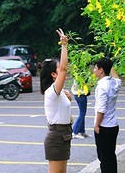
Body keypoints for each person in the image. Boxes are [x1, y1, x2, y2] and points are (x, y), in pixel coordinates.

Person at [41, 29, 73, 173]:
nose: (62, 70)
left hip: (64, 134)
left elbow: (67, 116)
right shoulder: (52, 92)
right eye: (58, 69)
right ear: (54, 74)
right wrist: (64, 45)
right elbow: (65, 69)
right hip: (57, 137)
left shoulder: (60, 93)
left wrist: (68, 101)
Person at [93, 56, 122, 173]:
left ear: (101, 70)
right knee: (111, 156)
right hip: (113, 125)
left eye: (95, 68)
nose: (93, 70)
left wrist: (97, 125)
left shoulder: (102, 86)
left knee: (104, 158)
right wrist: (110, 65)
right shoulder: (114, 83)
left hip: (104, 126)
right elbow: (117, 78)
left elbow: (101, 109)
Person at [71, 75, 92, 139]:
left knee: (82, 113)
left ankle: (82, 131)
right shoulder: (83, 75)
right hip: (81, 94)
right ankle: (74, 132)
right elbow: (87, 84)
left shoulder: (76, 73)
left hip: (76, 94)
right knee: (82, 114)